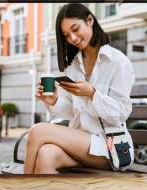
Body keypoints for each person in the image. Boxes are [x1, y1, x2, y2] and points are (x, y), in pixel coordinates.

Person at [24, 3, 135, 174]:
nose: (73, 38)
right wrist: (53, 100)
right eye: (67, 35)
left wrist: (92, 94)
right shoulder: (73, 67)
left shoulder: (118, 62)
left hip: (108, 146)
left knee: (37, 130)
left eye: (75, 29)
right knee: (46, 154)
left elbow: (120, 114)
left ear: (90, 20)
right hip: (79, 143)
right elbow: (71, 112)